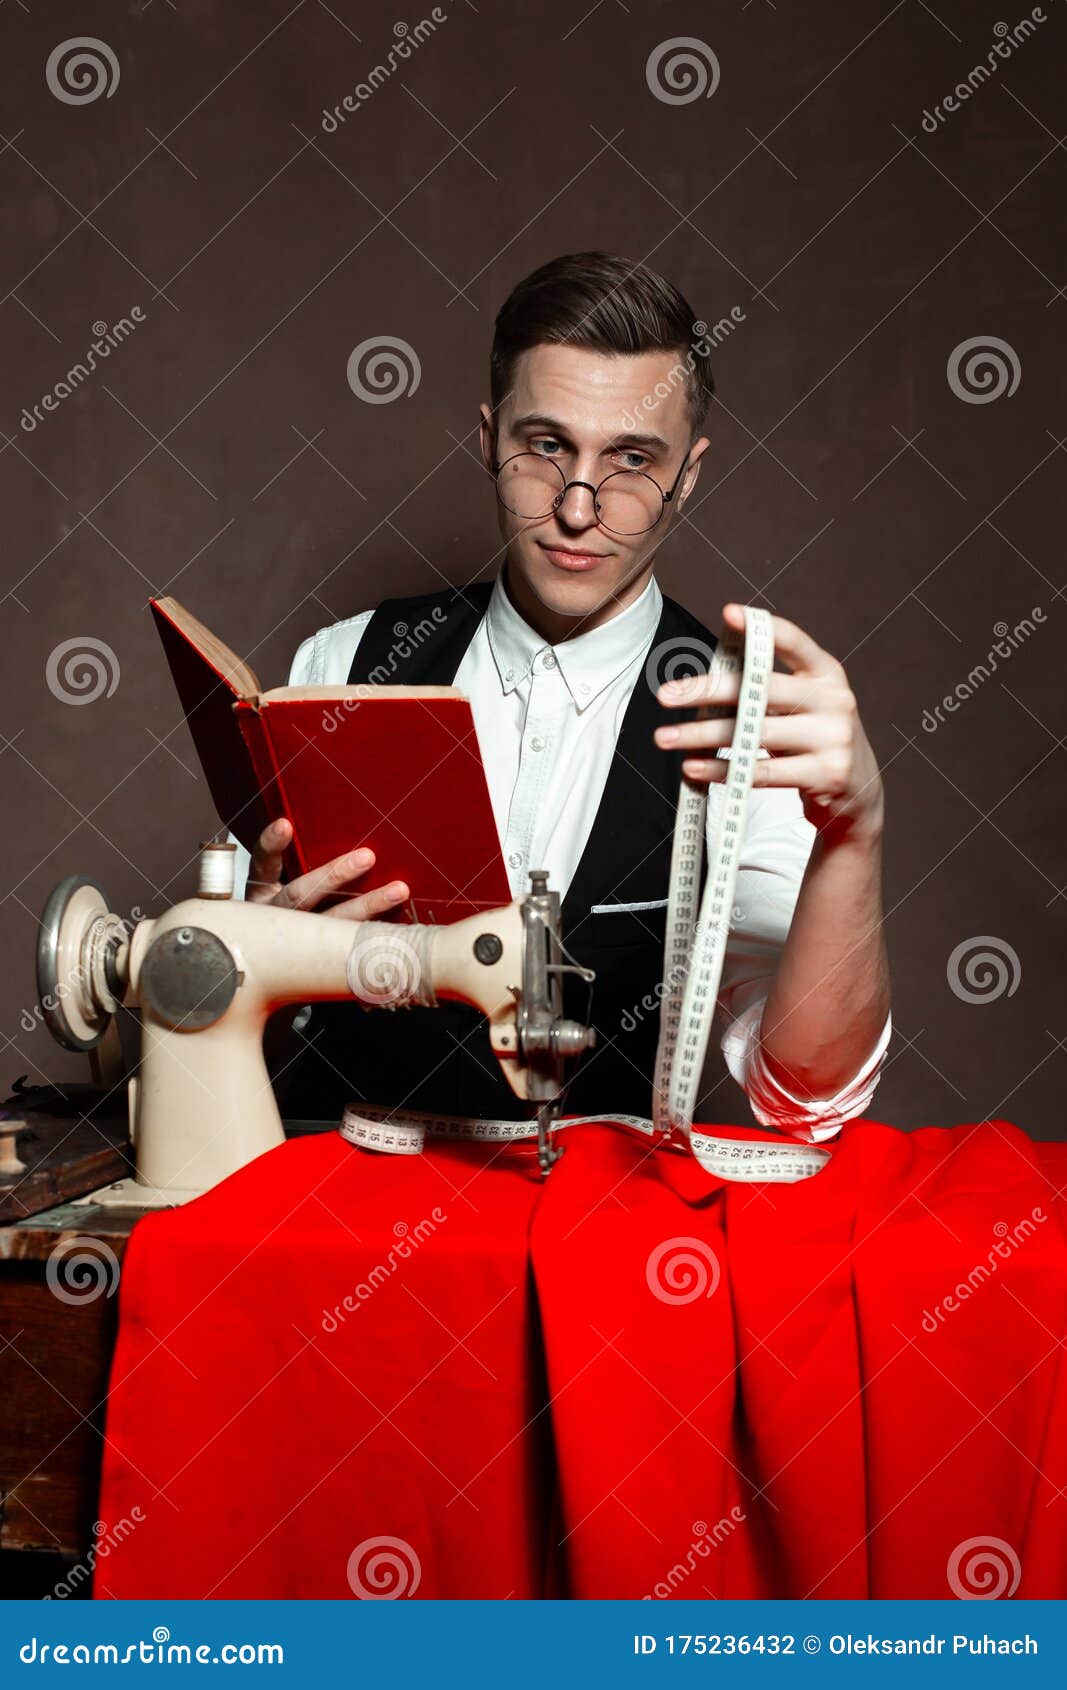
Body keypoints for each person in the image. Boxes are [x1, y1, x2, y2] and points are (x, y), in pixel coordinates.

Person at [232, 252, 892, 1140]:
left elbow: (804, 1097)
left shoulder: (748, 723)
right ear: (487, 438)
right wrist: (250, 959)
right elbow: (239, 1023)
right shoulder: (342, 667)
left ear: (686, 476)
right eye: (545, 447)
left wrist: (855, 836)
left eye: (629, 460)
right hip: (346, 1232)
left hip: (603, 1257)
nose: (579, 509)